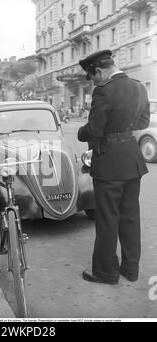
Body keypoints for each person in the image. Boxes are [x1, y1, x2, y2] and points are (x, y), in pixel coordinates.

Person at [77, 50, 150, 284]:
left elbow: (94, 130)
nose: (93, 83)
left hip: (109, 162)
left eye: (93, 77)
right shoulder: (139, 87)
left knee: (108, 218)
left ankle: (105, 272)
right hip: (132, 159)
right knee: (130, 217)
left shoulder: (104, 91)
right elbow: (144, 122)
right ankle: (130, 269)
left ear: (99, 71)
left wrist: (81, 132)